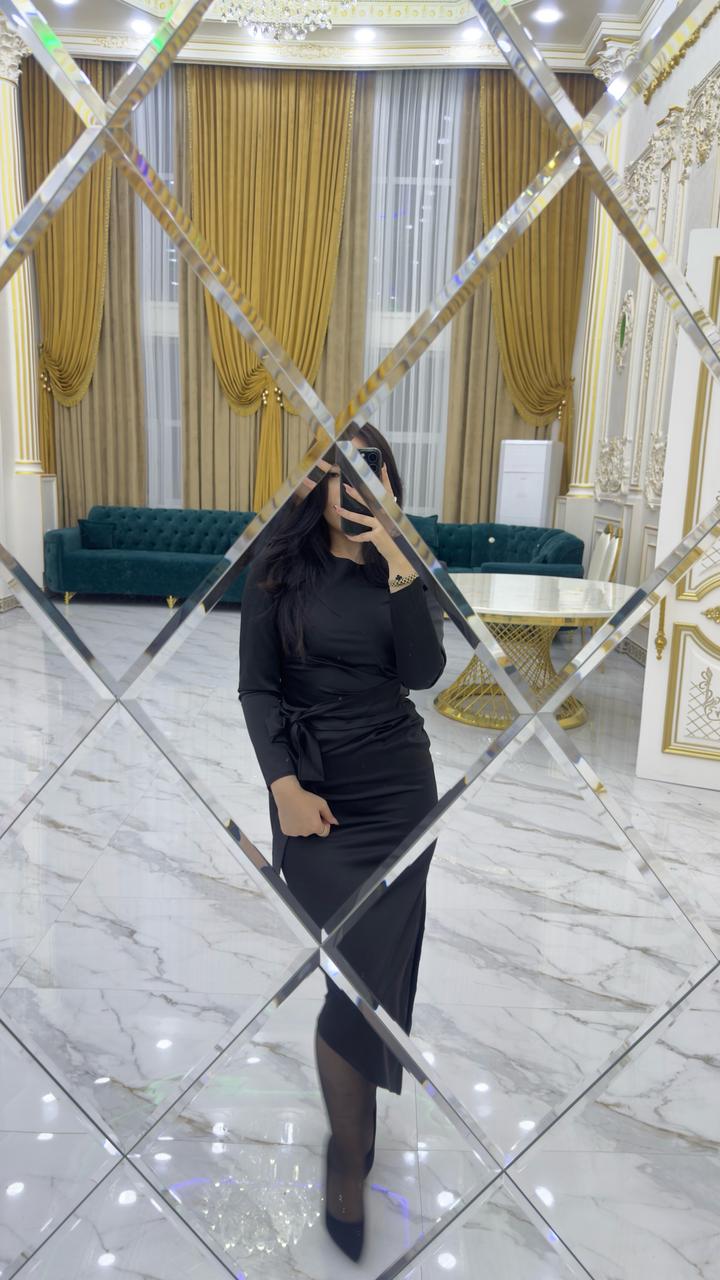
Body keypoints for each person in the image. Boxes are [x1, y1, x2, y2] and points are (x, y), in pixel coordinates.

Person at [238, 423, 446, 1262]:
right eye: (339, 472)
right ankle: (347, 1148)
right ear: (316, 483)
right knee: (347, 973)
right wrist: (283, 788)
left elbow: (423, 673)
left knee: (370, 974)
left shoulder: (402, 564)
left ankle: (350, 1141)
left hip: (399, 794)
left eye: (371, 471)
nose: (354, 486)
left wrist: (396, 555)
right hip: (315, 795)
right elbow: (258, 688)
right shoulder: (276, 566)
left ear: (389, 483)